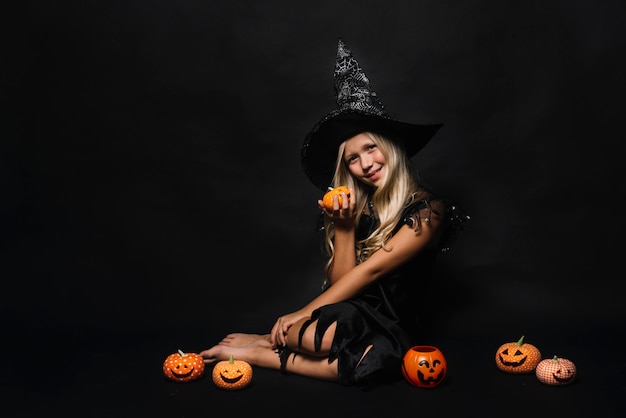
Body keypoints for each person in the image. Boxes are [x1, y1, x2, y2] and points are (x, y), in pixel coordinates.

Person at [199, 39, 468, 386]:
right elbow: (346, 285)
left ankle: (262, 350)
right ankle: (275, 341)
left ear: (389, 147)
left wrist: (302, 312)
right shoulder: (361, 205)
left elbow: (372, 272)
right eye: (352, 159)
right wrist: (344, 226)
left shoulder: (428, 210)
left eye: (371, 148)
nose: (365, 164)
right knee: (317, 334)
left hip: (396, 324)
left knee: (373, 364)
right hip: (352, 312)